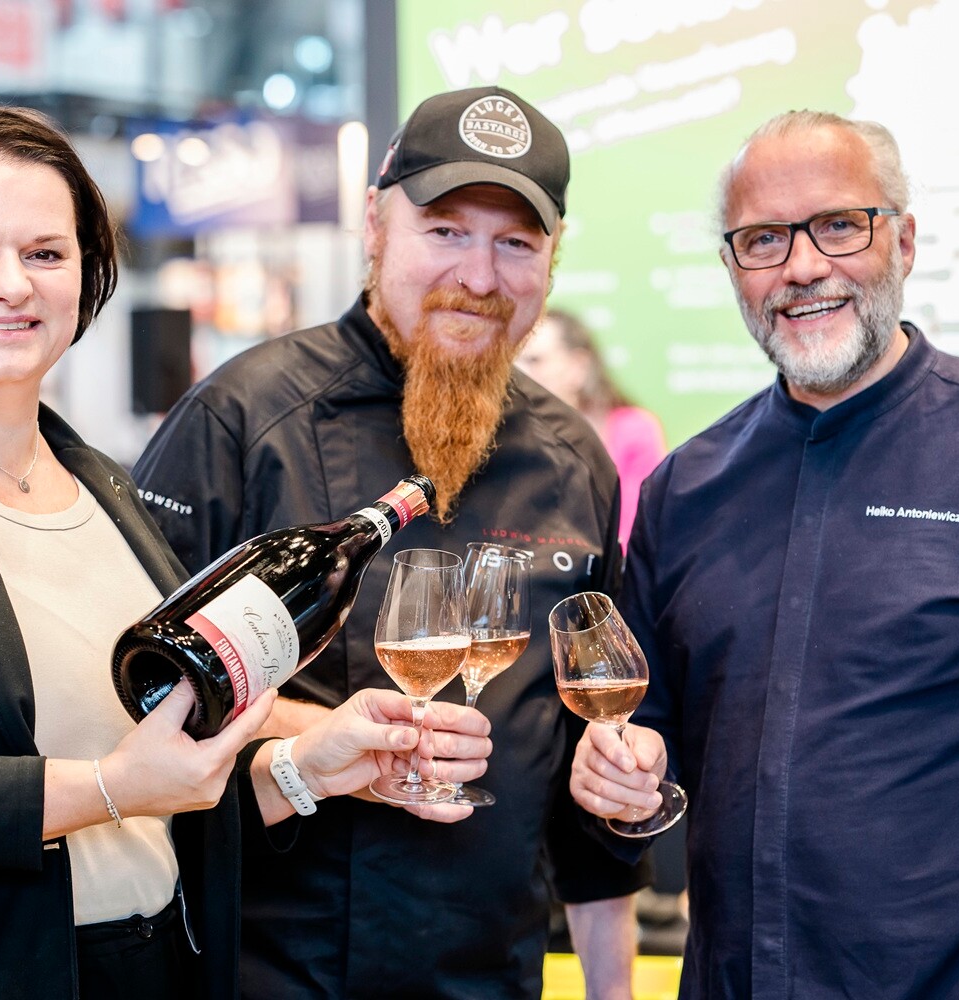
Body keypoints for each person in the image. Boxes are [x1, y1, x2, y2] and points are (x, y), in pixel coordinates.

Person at [0, 105, 490, 1000]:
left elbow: (154, 798)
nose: (11, 284)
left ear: (84, 276)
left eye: (46, 253)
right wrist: (109, 788)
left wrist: (300, 770)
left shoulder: (101, 485)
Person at [570, 109, 959, 1000]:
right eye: (762, 240)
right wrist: (621, 770)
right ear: (732, 269)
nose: (801, 267)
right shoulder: (685, 491)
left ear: (903, 241)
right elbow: (649, 735)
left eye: (838, 225)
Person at [134, 86, 651, 999]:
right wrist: (321, 743)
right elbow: (139, 707)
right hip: (266, 978)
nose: (480, 277)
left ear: (551, 261)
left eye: (516, 244)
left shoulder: (576, 460)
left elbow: (586, 803)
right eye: (446, 231)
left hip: (493, 977)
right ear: (377, 225)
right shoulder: (243, 421)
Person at [517, 309, 667, 549]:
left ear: (578, 366)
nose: (520, 374)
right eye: (514, 361)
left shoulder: (633, 430)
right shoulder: (510, 432)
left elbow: (634, 534)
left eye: (535, 360)